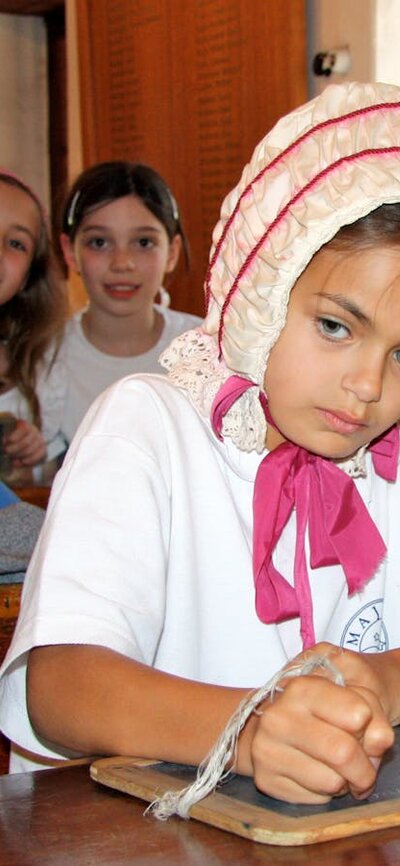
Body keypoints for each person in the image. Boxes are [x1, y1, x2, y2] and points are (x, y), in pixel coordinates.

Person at [1, 82, 400, 805]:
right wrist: (248, 728)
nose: (368, 386)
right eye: (335, 327)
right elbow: (58, 688)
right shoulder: (148, 429)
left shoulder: (391, 466)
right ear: (261, 291)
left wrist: (385, 678)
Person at [58, 161, 202, 443]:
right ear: (70, 251)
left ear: (171, 252)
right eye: (99, 242)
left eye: (144, 242)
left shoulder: (205, 352)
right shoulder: (45, 359)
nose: (122, 263)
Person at [0, 171, 67, 484]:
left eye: (15, 243)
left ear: (28, 276)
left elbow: (46, 485)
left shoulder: (39, 362)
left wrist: (31, 455)